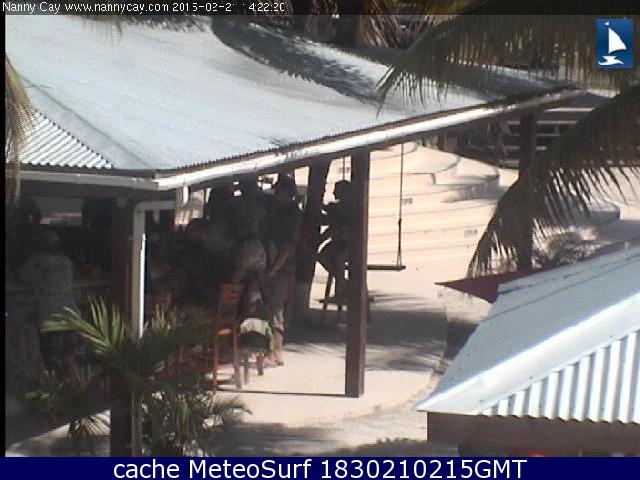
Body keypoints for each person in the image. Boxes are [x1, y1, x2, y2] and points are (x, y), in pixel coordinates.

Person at [19, 228, 82, 370]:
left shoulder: (34, 262)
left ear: (40, 245)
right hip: (71, 316)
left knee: (52, 365)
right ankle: (77, 384)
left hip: (50, 319)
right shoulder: (66, 262)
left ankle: (58, 384)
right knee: (70, 361)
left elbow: (22, 277)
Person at [262, 174, 302, 366]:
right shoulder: (289, 212)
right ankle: (276, 351)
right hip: (283, 265)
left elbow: (286, 247)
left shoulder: (288, 215)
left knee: (274, 310)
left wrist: (272, 270)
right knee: (276, 310)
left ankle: (274, 351)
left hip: (280, 266)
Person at [318, 180, 353, 300]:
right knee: (322, 257)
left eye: (336, 191)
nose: (333, 193)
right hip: (337, 242)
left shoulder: (350, 208)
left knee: (339, 261)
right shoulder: (337, 207)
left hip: (350, 244)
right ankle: (343, 282)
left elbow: (336, 226)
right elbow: (330, 218)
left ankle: (342, 288)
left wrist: (320, 239)